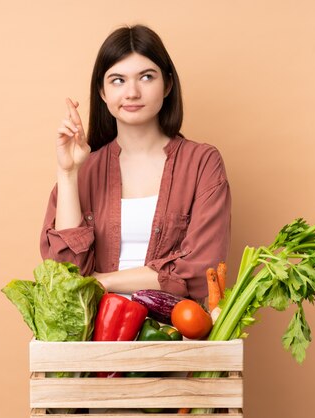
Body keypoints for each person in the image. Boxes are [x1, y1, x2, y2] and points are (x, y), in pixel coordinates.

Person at [40, 24, 231, 302]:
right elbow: (64, 276)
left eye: (146, 77)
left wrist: (101, 281)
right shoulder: (85, 169)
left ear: (167, 84)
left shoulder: (202, 163)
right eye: (117, 80)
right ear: (103, 93)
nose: (131, 93)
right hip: (95, 335)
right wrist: (68, 173)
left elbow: (201, 272)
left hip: (174, 334)